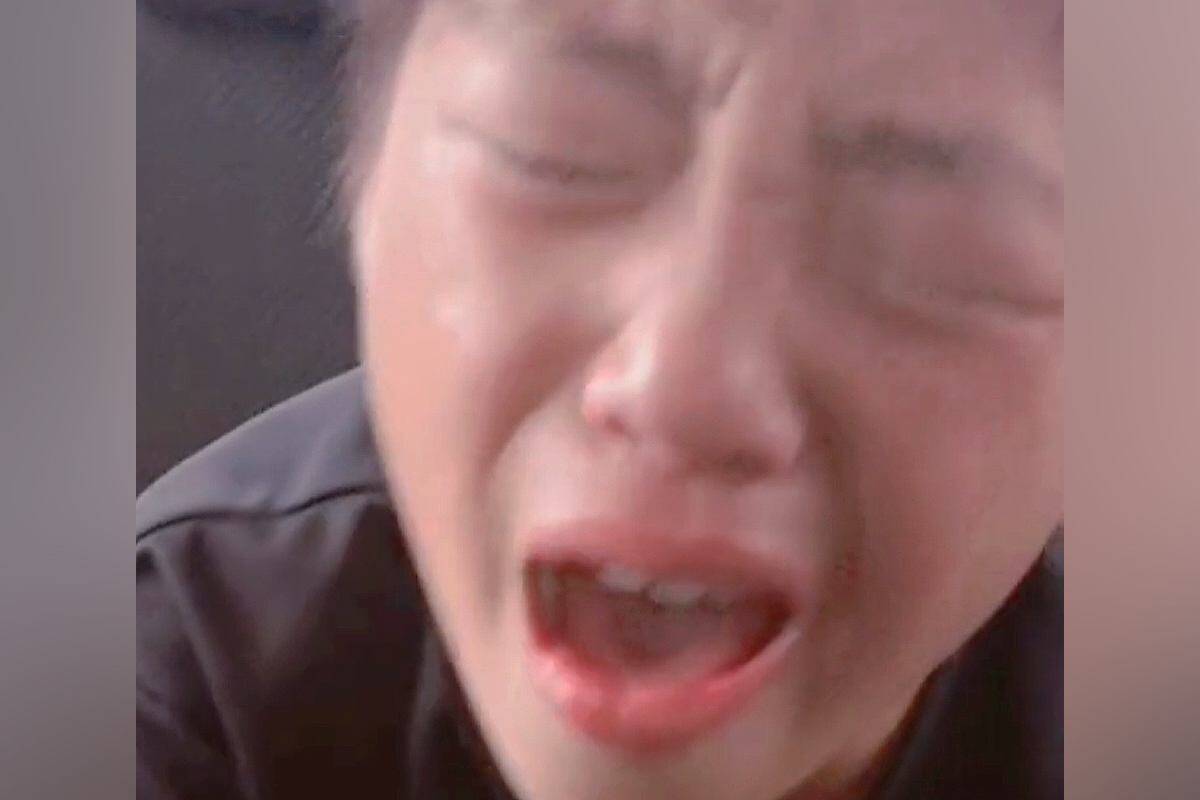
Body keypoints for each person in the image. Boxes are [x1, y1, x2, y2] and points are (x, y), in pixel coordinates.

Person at [136, 0, 1063, 798]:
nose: (683, 386)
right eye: (556, 149)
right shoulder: (180, 689)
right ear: (367, 193)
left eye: (947, 256)